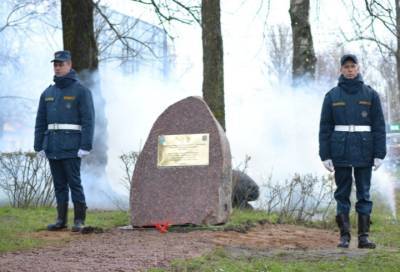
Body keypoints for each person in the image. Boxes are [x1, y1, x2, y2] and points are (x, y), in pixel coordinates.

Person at [319, 54, 386, 249]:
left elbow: (379, 127)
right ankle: (344, 237)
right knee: (342, 194)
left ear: (358, 68)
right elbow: (324, 128)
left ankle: (363, 237)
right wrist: (325, 155)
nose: (349, 69)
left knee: (364, 194)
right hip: (340, 151)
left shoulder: (370, 94)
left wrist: (379, 153)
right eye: (346, 66)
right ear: (341, 69)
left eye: (352, 66)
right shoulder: (332, 96)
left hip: (365, 151)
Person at [34, 50, 95, 232]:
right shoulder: (47, 93)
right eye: (55, 65)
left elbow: (88, 120)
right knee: (59, 185)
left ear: (69, 65)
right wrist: (38, 145)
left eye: (61, 64)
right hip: (52, 145)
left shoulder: (81, 91)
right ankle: (61, 220)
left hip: (72, 146)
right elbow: (40, 122)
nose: (58, 68)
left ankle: (79, 220)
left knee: (74, 183)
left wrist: (86, 146)